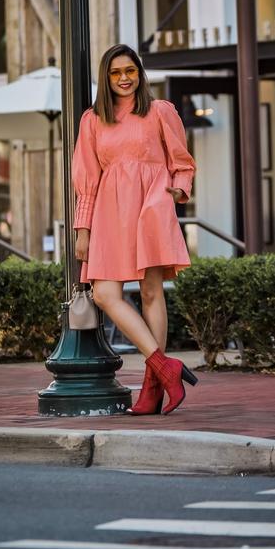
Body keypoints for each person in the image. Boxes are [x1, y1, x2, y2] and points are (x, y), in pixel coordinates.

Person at [72, 44, 198, 415]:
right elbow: (87, 179)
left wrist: (178, 189)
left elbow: (182, 162)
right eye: (115, 72)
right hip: (109, 212)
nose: (124, 78)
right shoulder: (93, 119)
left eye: (130, 70)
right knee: (105, 294)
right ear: (105, 78)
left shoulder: (160, 112)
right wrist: (83, 228)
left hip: (150, 206)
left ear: (139, 74)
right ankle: (165, 366)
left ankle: (152, 386)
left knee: (151, 291)